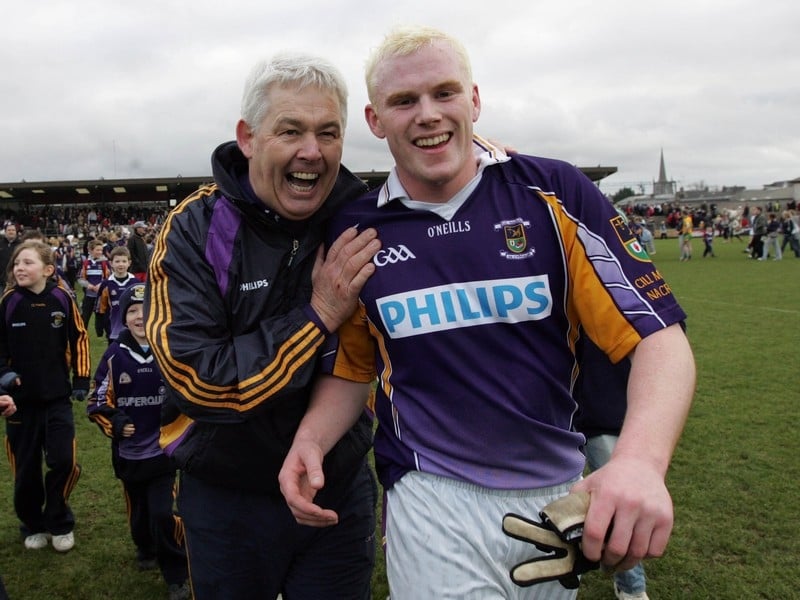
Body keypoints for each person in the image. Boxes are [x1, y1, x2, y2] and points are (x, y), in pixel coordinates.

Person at [279, 25, 695, 600]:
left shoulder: (555, 194)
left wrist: (641, 462)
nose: (428, 114)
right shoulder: (356, 231)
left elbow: (659, 338)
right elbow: (353, 370)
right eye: (404, 101)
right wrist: (310, 438)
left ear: (473, 101)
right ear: (375, 121)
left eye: (444, 93)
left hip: (556, 493)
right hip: (432, 497)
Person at [144, 53, 381, 600]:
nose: (312, 152)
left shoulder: (362, 220)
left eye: (328, 133)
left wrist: (493, 165)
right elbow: (202, 380)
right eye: (290, 130)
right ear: (248, 137)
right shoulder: (194, 227)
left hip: (335, 487)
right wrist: (318, 315)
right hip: (226, 493)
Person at [87, 283, 190, 600]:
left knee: (164, 513)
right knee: (140, 515)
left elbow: (188, 394)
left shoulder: (169, 350)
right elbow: (96, 402)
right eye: (132, 310)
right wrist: (116, 422)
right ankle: (145, 548)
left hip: (162, 454)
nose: (139, 316)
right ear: (123, 316)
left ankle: (176, 572)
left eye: (145, 310)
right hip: (129, 457)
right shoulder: (115, 355)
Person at [0, 240, 89, 553]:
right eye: (16, 264)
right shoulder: (8, 301)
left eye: (27, 263)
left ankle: (59, 518)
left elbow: (79, 338)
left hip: (57, 399)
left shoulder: (62, 298)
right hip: (19, 405)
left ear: (48, 270)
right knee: (26, 470)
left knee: (64, 461)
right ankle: (32, 523)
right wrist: (4, 379)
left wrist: (80, 378)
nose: (19, 268)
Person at [573, 337, 649, 600]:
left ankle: (631, 587)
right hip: (559, 419)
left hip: (604, 418)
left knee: (618, 509)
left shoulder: (625, 303)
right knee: (548, 501)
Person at [95, 246, 138, 342]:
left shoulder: (135, 283)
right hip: (112, 329)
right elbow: (100, 307)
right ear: (111, 264)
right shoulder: (106, 284)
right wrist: (99, 326)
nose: (121, 264)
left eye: (124, 261)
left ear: (129, 263)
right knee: (115, 354)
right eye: (117, 261)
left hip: (133, 328)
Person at [77, 239, 110, 330]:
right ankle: (82, 336)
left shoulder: (105, 262)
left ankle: (105, 334)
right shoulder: (86, 263)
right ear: (90, 250)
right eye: (97, 250)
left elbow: (109, 278)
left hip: (101, 296)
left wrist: (101, 285)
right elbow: (80, 278)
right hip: (89, 295)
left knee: (102, 318)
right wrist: (88, 285)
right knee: (84, 317)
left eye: (101, 250)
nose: (100, 252)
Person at [0, 223, 21, 288]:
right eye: (9, 230)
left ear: (16, 232)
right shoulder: (0, 243)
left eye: (13, 230)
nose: (11, 232)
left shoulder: (21, 244)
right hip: (1, 280)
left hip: (16, 279)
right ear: (5, 232)